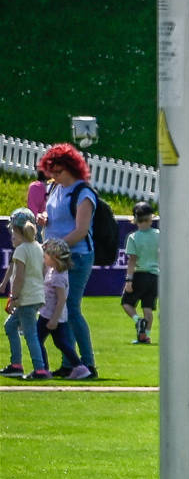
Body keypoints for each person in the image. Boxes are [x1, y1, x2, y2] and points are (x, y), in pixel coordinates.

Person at [35, 143, 98, 379]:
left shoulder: (83, 193)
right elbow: (55, 215)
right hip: (55, 258)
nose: (53, 175)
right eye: (51, 171)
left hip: (76, 257)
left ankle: (88, 364)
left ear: (71, 168)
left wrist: (54, 246)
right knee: (60, 310)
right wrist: (44, 218)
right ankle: (70, 364)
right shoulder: (55, 188)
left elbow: (81, 230)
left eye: (58, 171)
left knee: (70, 308)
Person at [3, 212, 42, 378]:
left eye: (13, 233)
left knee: (30, 333)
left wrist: (14, 298)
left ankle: (40, 369)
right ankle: (16, 365)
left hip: (25, 299)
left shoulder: (21, 250)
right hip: (36, 297)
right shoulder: (38, 247)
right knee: (10, 326)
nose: (11, 237)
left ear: (20, 232)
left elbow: (19, 278)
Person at [121, 203, 158, 344]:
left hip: (139, 274)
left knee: (126, 303)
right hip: (155, 276)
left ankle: (138, 321)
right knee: (148, 307)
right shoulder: (158, 235)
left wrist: (128, 280)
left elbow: (132, 260)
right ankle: (145, 335)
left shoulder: (134, 237)